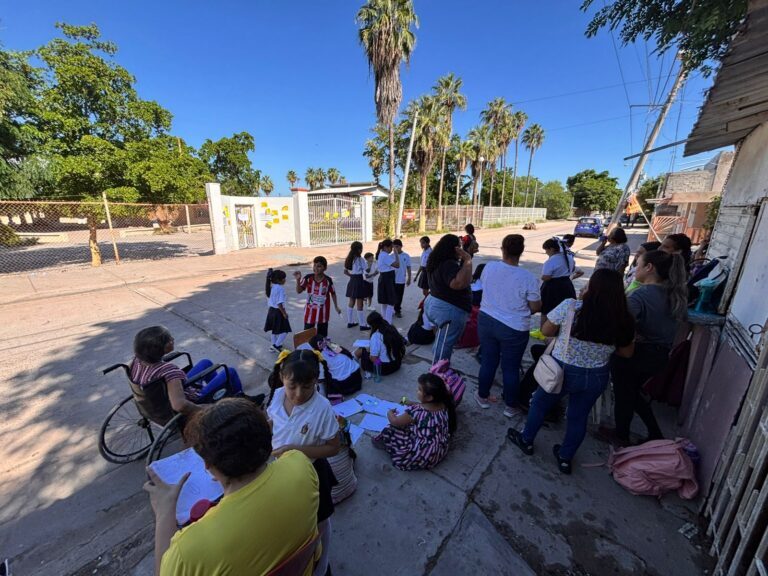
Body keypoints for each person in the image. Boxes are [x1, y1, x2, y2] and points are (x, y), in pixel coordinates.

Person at [144, 398, 320, 576]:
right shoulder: (300, 464)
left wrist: (165, 512)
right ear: (269, 431)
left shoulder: (189, 550)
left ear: (207, 465)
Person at [508, 270, 635, 474]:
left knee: (539, 404)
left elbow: (547, 331)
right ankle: (565, 458)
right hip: (596, 375)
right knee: (578, 417)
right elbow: (626, 353)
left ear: (592, 287)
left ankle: (526, 440)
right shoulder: (624, 319)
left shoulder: (572, 307)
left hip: (563, 369)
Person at [267, 350, 341, 576]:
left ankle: (321, 565)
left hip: (312, 473)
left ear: (316, 381)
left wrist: (296, 450)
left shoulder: (322, 408)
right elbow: (272, 424)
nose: (298, 394)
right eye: (292, 386)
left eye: (307, 387)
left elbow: (333, 446)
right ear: (282, 377)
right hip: (281, 472)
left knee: (320, 520)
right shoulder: (278, 395)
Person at [610, 250, 688, 446]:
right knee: (633, 393)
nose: (635, 269)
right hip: (660, 355)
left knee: (624, 394)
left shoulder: (641, 295)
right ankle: (653, 432)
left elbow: (623, 327)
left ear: (649, 267)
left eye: (638, 264)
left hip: (637, 353)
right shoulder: (673, 293)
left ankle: (621, 435)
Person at [475, 235, 541, 417]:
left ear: (503, 249)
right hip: (514, 328)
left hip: (487, 320)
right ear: (521, 251)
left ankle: (482, 396)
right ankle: (510, 406)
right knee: (510, 368)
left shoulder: (489, 267)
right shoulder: (528, 277)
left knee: (488, 361)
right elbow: (535, 307)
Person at [130, 326, 242, 416]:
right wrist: (203, 408)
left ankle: (222, 393)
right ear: (161, 348)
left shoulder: (136, 361)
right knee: (230, 371)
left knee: (205, 363)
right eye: (169, 340)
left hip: (160, 396)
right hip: (193, 398)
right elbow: (179, 405)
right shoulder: (169, 371)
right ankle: (240, 400)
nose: (172, 340)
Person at [373, 372, 455, 470]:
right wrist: (410, 403)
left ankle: (384, 443)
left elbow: (395, 421)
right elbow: (424, 406)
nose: (417, 391)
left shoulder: (416, 411)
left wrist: (389, 413)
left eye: (420, 389)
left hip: (422, 454)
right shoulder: (443, 405)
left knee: (389, 429)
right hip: (438, 450)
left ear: (429, 397)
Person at [423, 234, 473, 362]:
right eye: (459, 246)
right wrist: (467, 259)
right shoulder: (448, 264)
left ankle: (437, 369)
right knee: (444, 346)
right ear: (454, 248)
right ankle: (437, 374)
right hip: (448, 310)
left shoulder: (436, 261)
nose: (461, 248)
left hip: (435, 304)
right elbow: (458, 283)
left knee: (441, 340)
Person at [294, 256, 341, 338]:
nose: (316, 268)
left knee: (322, 336)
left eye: (319, 266)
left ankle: (320, 348)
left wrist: (336, 306)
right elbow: (299, 291)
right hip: (310, 312)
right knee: (307, 334)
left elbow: (333, 293)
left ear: (325, 268)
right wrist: (298, 280)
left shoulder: (328, 280)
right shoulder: (308, 278)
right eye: (314, 265)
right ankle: (308, 349)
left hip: (323, 312)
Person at [354, 311, 405, 377]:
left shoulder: (376, 336)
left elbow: (374, 359)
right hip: (397, 364)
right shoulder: (391, 328)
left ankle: (352, 364)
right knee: (373, 352)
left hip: (385, 368)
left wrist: (376, 362)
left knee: (361, 350)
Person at [540, 238, 577, 326]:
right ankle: (560, 329)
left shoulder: (551, 261)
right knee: (563, 308)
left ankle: (544, 330)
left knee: (546, 308)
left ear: (551, 249)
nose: (546, 252)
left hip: (552, 287)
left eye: (546, 250)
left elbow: (545, 277)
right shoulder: (569, 258)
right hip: (567, 285)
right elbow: (573, 270)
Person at [264, 268, 292, 353]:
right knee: (285, 330)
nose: (285, 280)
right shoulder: (280, 289)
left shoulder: (271, 287)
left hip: (271, 311)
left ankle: (273, 346)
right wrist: (284, 313)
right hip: (278, 312)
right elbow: (279, 303)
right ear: (279, 280)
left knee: (274, 330)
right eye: (284, 278)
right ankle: (276, 345)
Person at [343, 241, 369, 330]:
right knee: (360, 303)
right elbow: (367, 270)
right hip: (359, 281)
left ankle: (350, 322)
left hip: (352, 280)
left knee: (351, 301)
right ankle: (362, 324)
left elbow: (345, 271)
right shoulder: (361, 259)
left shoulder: (349, 259)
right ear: (359, 249)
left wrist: (352, 276)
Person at [376, 239, 401, 323]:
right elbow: (397, 265)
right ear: (386, 247)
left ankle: (384, 320)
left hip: (384, 278)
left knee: (384, 301)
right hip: (387, 279)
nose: (392, 249)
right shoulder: (385, 256)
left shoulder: (382, 254)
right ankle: (388, 322)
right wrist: (396, 253)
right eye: (391, 247)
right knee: (390, 302)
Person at [392, 239, 412, 318]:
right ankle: (391, 309)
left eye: (397, 247)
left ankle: (397, 310)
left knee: (399, 296)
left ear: (401, 246)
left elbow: (408, 267)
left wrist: (409, 278)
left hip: (401, 280)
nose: (395, 249)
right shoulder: (391, 256)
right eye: (394, 247)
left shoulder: (406, 256)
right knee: (392, 296)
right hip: (392, 279)